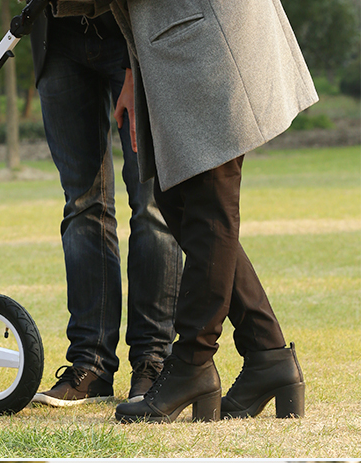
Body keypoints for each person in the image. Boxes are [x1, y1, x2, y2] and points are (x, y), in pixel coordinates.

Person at [49, 0, 315, 422]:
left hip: (207, 37)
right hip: (184, 38)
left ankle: (193, 362)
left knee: (209, 204)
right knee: (180, 202)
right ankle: (267, 354)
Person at [28, 11, 183, 407]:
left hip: (131, 32)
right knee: (82, 205)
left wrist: (135, 62)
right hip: (57, 35)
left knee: (152, 206)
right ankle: (90, 365)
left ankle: (153, 362)